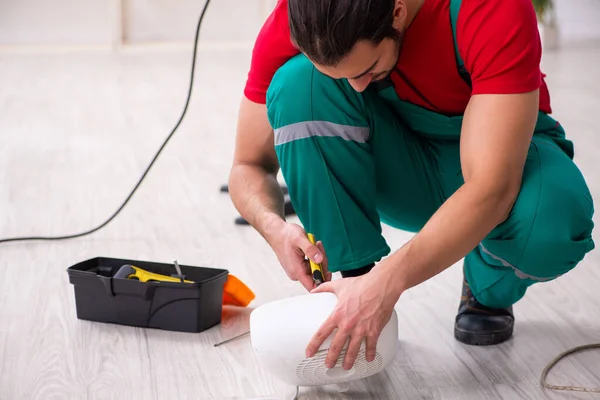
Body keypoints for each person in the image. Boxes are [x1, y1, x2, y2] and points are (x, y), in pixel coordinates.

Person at [228, 0, 595, 371]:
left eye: (367, 69)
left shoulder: (490, 8)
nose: (355, 87)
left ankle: (485, 287)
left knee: (553, 224)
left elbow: (492, 187)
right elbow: (247, 165)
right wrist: (273, 227)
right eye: (341, 77)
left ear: (398, 13)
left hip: (499, 162)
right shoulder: (306, 14)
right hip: (400, 163)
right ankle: (355, 281)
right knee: (299, 84)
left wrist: (391, 281)